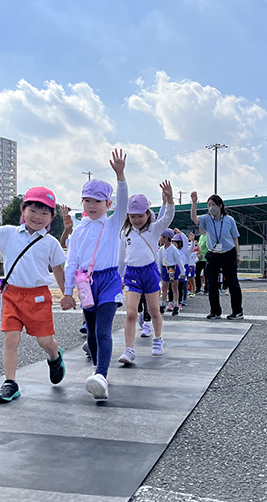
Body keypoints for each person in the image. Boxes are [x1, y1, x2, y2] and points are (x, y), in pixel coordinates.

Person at [0, 184, 67, 404]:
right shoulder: (9, 233)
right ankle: (10, 383)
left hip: (38, 297)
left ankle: (55, 356)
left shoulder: (51, 243)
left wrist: (67, 294)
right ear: (23, 210)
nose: (38, 216)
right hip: (11, 294)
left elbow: (58, 270)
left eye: (44, 212)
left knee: (45, 341)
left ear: (52, 216)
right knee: (11, 338)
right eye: (33, 210)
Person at [61, 149, 128, 402]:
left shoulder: (112, 224)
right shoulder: (78, 231)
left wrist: (120, 177)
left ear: (107, 205)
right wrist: (68, 292)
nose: (91, 205)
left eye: (97, 201)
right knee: (90, 335)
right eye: (87, 200)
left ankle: (101, 375)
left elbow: (123, 202)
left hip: (109, 281)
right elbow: (72, 262)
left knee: (102, 330)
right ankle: (97, 375)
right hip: (86, 284)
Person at [117, 181, 175, 365]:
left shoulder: (154, 228)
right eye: (133, 216)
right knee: (131, 313)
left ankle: (158, 339)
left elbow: (168, 216)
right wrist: (119, 278)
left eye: (140, 216)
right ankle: (129, 349)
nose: (137, 219)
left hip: (150, 272)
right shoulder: (125, 233)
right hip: (132, 273)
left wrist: (170, 199)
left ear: (147, 214)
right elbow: (121, 258)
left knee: (154, 310)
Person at [190, 192, 243, 320]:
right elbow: (194, 218)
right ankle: (215, 311)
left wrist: (238, 254)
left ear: (220, 205)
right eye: (209, 205)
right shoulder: (206, 219)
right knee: (211, 284)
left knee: (232, 283)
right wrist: (194, 202)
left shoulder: (229, 220)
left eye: (213, 204)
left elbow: (235, 238)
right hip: (213, 254)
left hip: (228, 253)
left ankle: (237, 311)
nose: (211, 207)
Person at [158, 228, 185, 316]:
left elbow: (179, 261)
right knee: (164, 288)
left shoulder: (173, 249)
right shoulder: (161, 249)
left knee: (174, 288)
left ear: (166, 238)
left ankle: (176, 305)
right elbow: (159, 261)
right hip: (165, 269)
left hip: (174, 268)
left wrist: (182, 272)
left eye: (161, 236)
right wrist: (159, 272)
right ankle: (162, 305)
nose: (160, 238)